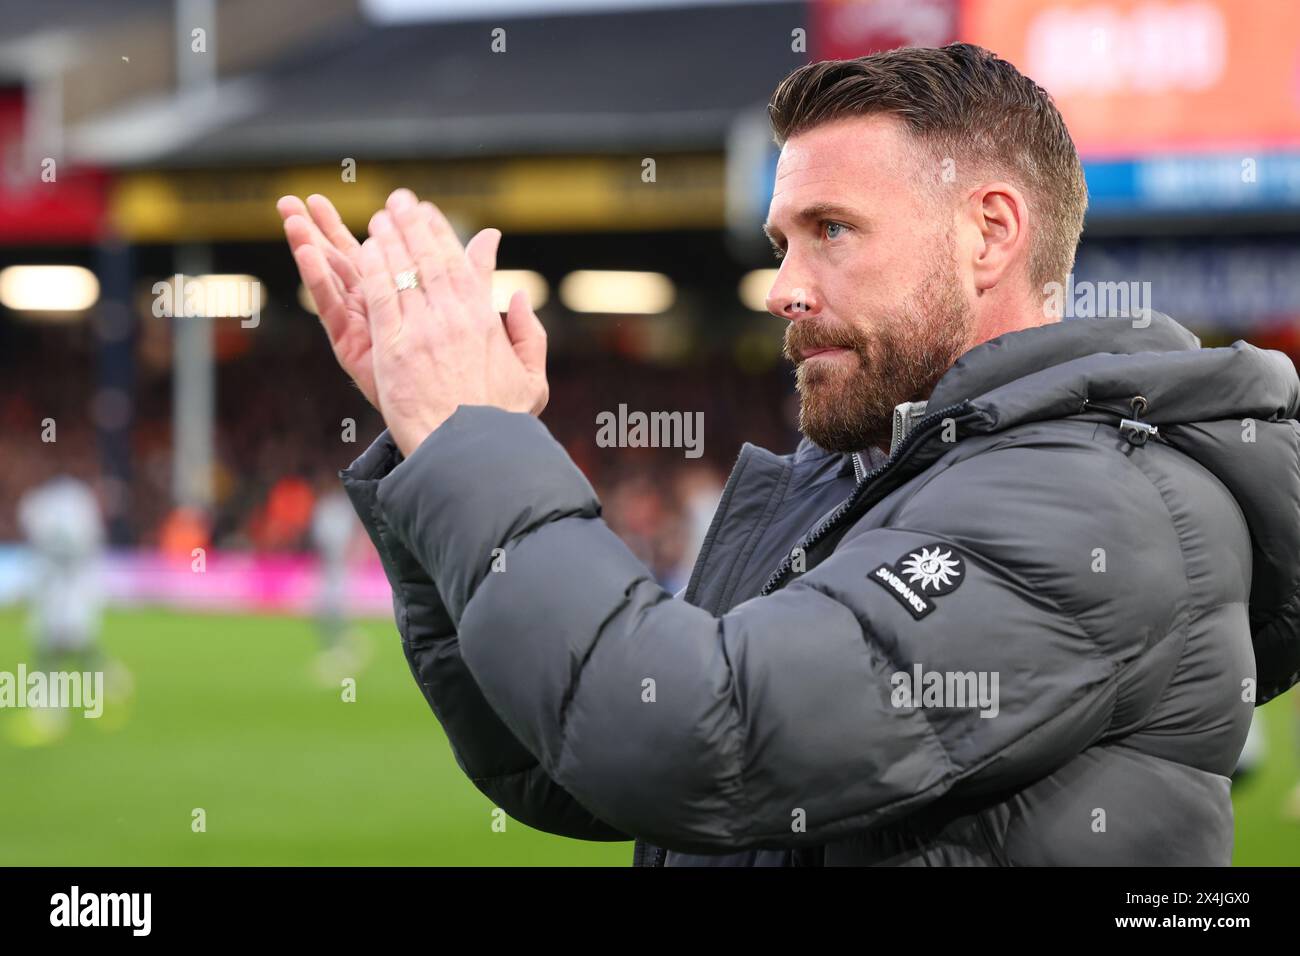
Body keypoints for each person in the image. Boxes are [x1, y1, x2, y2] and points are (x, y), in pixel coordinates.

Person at [280, 43, 1300, 865]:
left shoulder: (1094, 503)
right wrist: (431, 436)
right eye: (781, 242)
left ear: (989, 234)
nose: (783, 287)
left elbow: (695, 739)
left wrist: (478, 443)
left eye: (831, 230)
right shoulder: (851, 476)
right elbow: (573, 761)